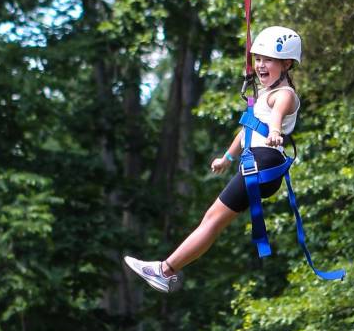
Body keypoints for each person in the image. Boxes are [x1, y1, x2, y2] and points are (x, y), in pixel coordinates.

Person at [124, 26, 302, 293]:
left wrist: (276, 132)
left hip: (264, 162)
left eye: (268, 60)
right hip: (259, 164)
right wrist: (227, 157)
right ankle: (166, 269)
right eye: (258, 59)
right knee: (212, 220)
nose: (261, 65)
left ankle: (165, 270)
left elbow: (275, 119)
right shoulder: (265, 95)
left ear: (286, 63)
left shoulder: (284, 94)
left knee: (212, 220)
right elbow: (248, 130)